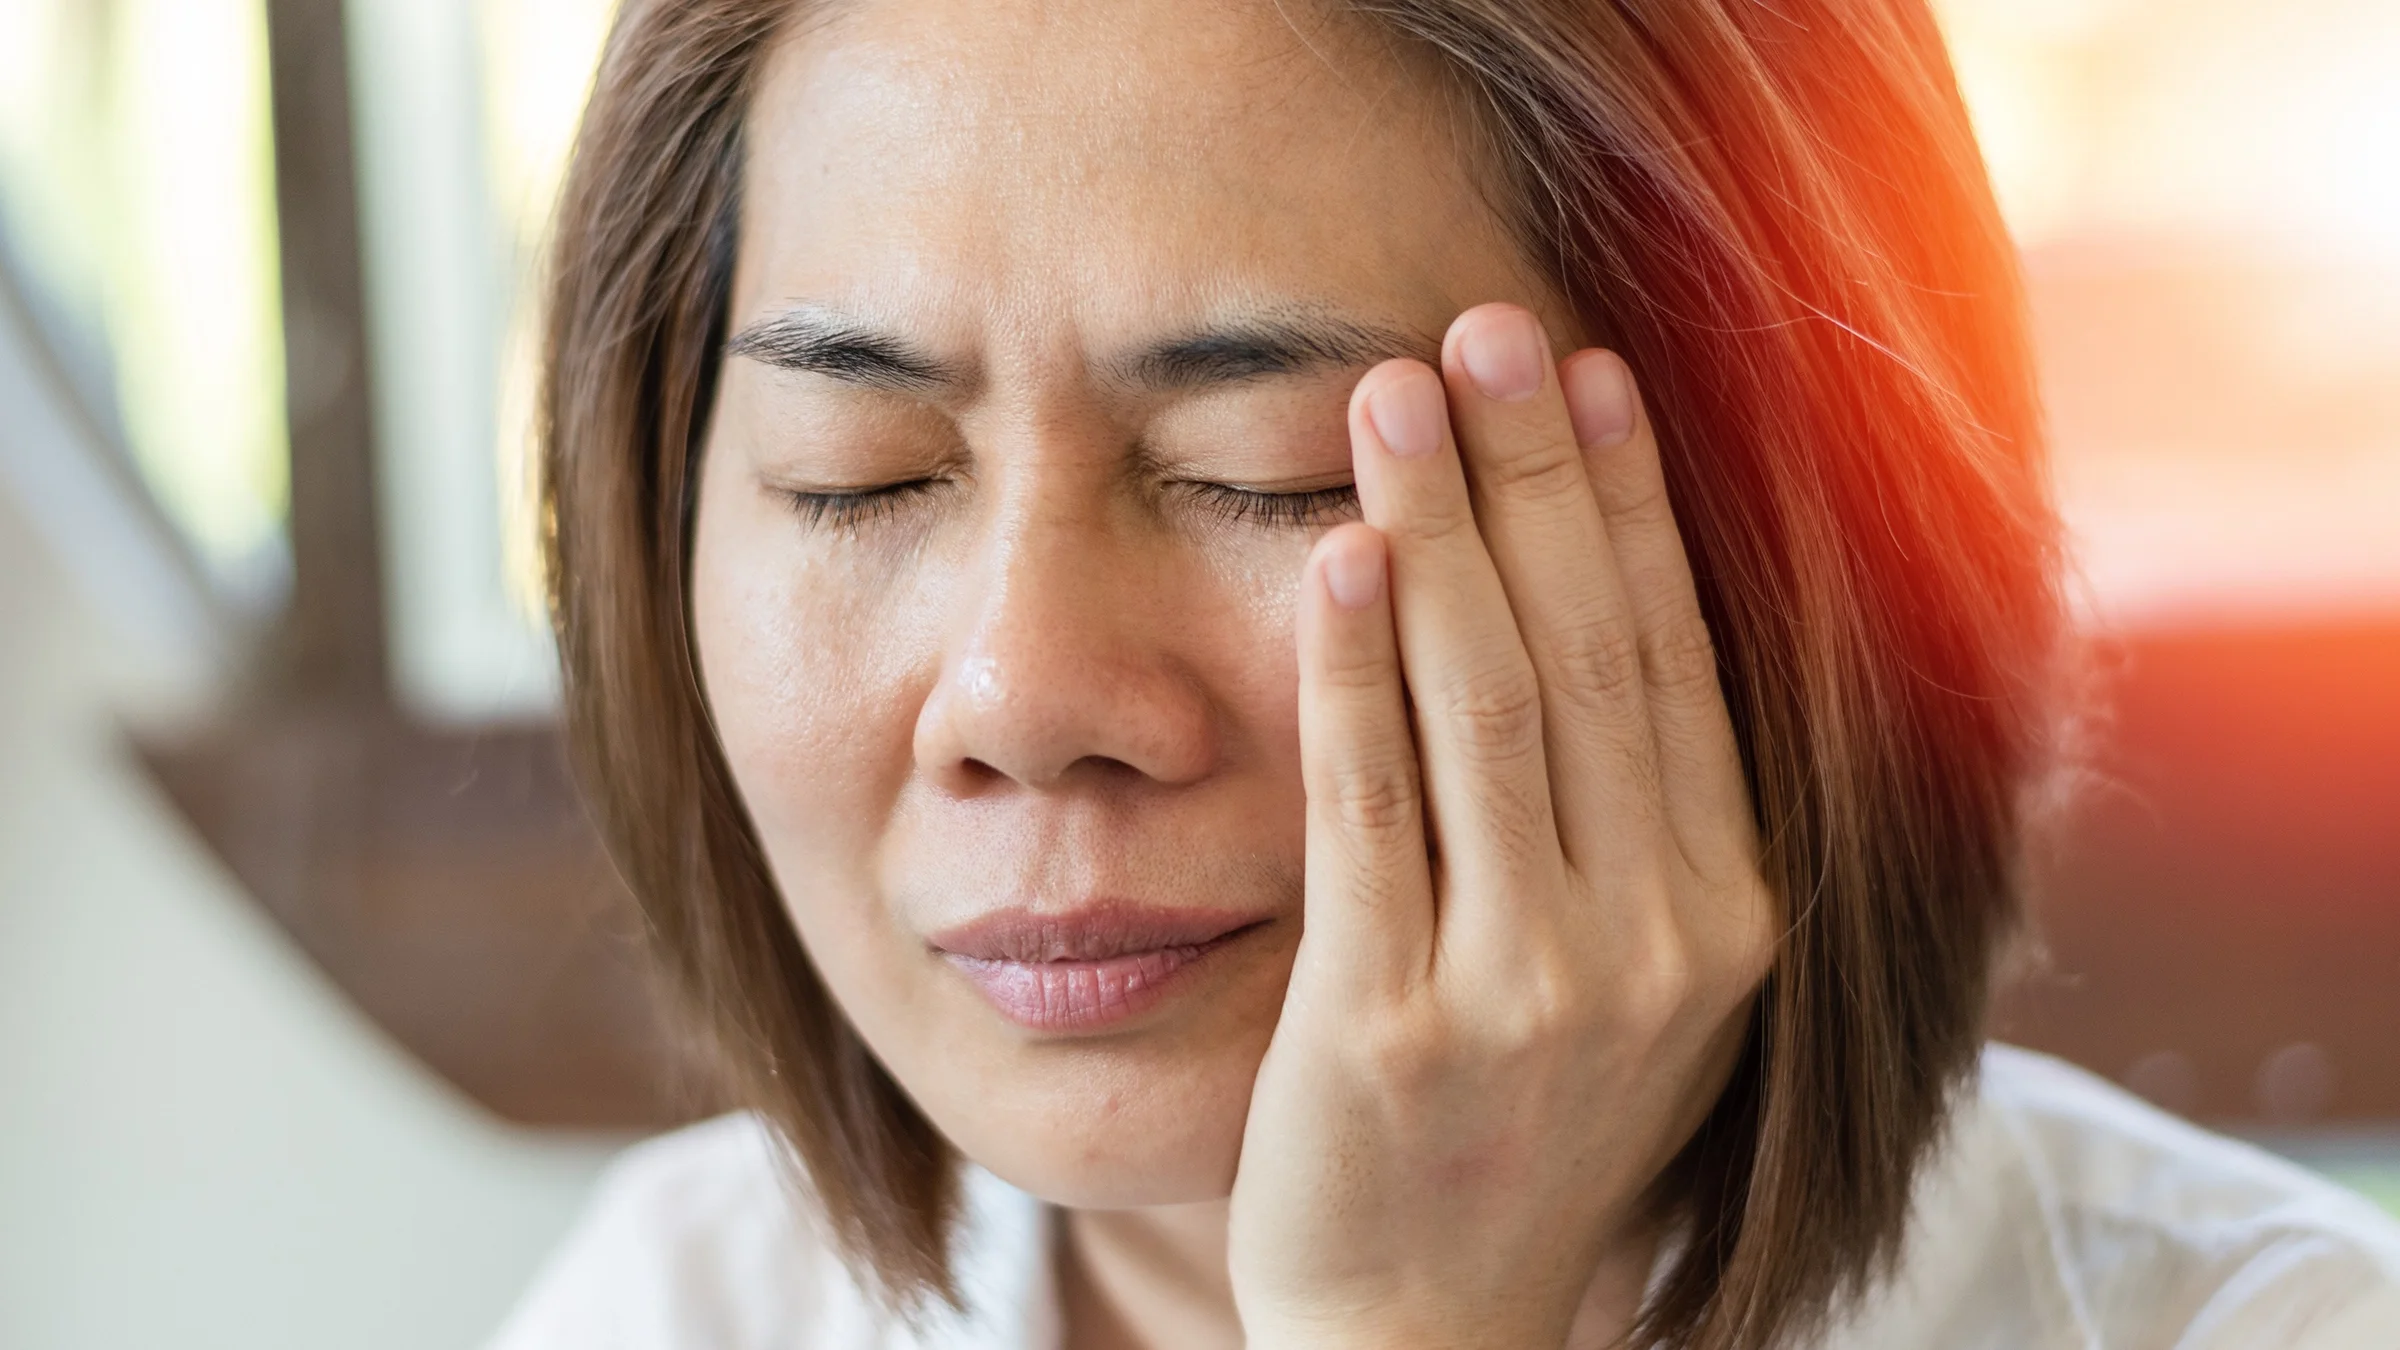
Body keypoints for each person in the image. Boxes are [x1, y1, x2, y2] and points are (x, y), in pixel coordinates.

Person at [492, 0, 2400, 1345]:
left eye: (1277, 472)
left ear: (1787, 540)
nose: (1021, 694)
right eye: (863, 482)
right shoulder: (686, 1302)